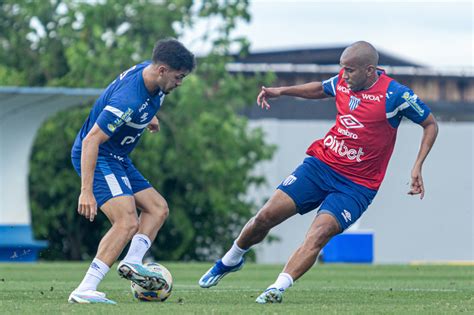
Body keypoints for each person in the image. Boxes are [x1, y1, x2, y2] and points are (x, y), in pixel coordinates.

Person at [199, 41, 438, 304]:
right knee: (266, 216)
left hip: (357, 186)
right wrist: (281, 91)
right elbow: (320, 89)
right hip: (321, 166)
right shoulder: (344, 82)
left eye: (349, 70)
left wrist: (417, 165)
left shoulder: (396, 94)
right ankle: (230, 259)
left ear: (370, 70)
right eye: (341, 70)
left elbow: (430, 124)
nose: (343, 75)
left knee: (318, 234)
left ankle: (277, 287)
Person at [68, 38, 195, 304]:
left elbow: (142, 104)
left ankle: (133, 262)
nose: (180, 83)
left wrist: (148, 117)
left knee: (158, 208)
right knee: (127, 222)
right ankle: (85, 288)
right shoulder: (130, 98)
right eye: (178, 77)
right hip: (98, 156)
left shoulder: (152, 79)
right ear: (161, 70)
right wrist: (86, 191)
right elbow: (91, 140)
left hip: (118, 157)